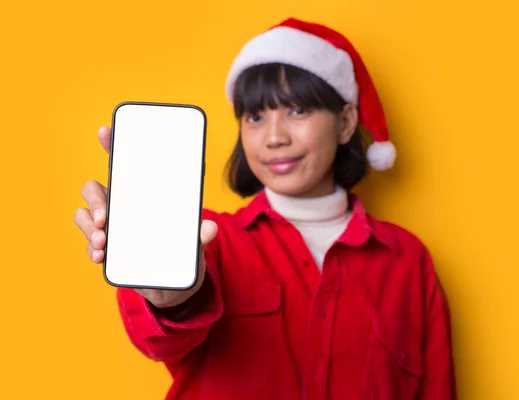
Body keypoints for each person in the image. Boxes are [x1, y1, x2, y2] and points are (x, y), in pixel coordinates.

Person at [74, 17, 456, 400]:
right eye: (255, 117)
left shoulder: (408, 261)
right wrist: (170, 297)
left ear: (344, 123)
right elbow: (159, 342)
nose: (274, 137)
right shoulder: (206, 239)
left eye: (297, 111)